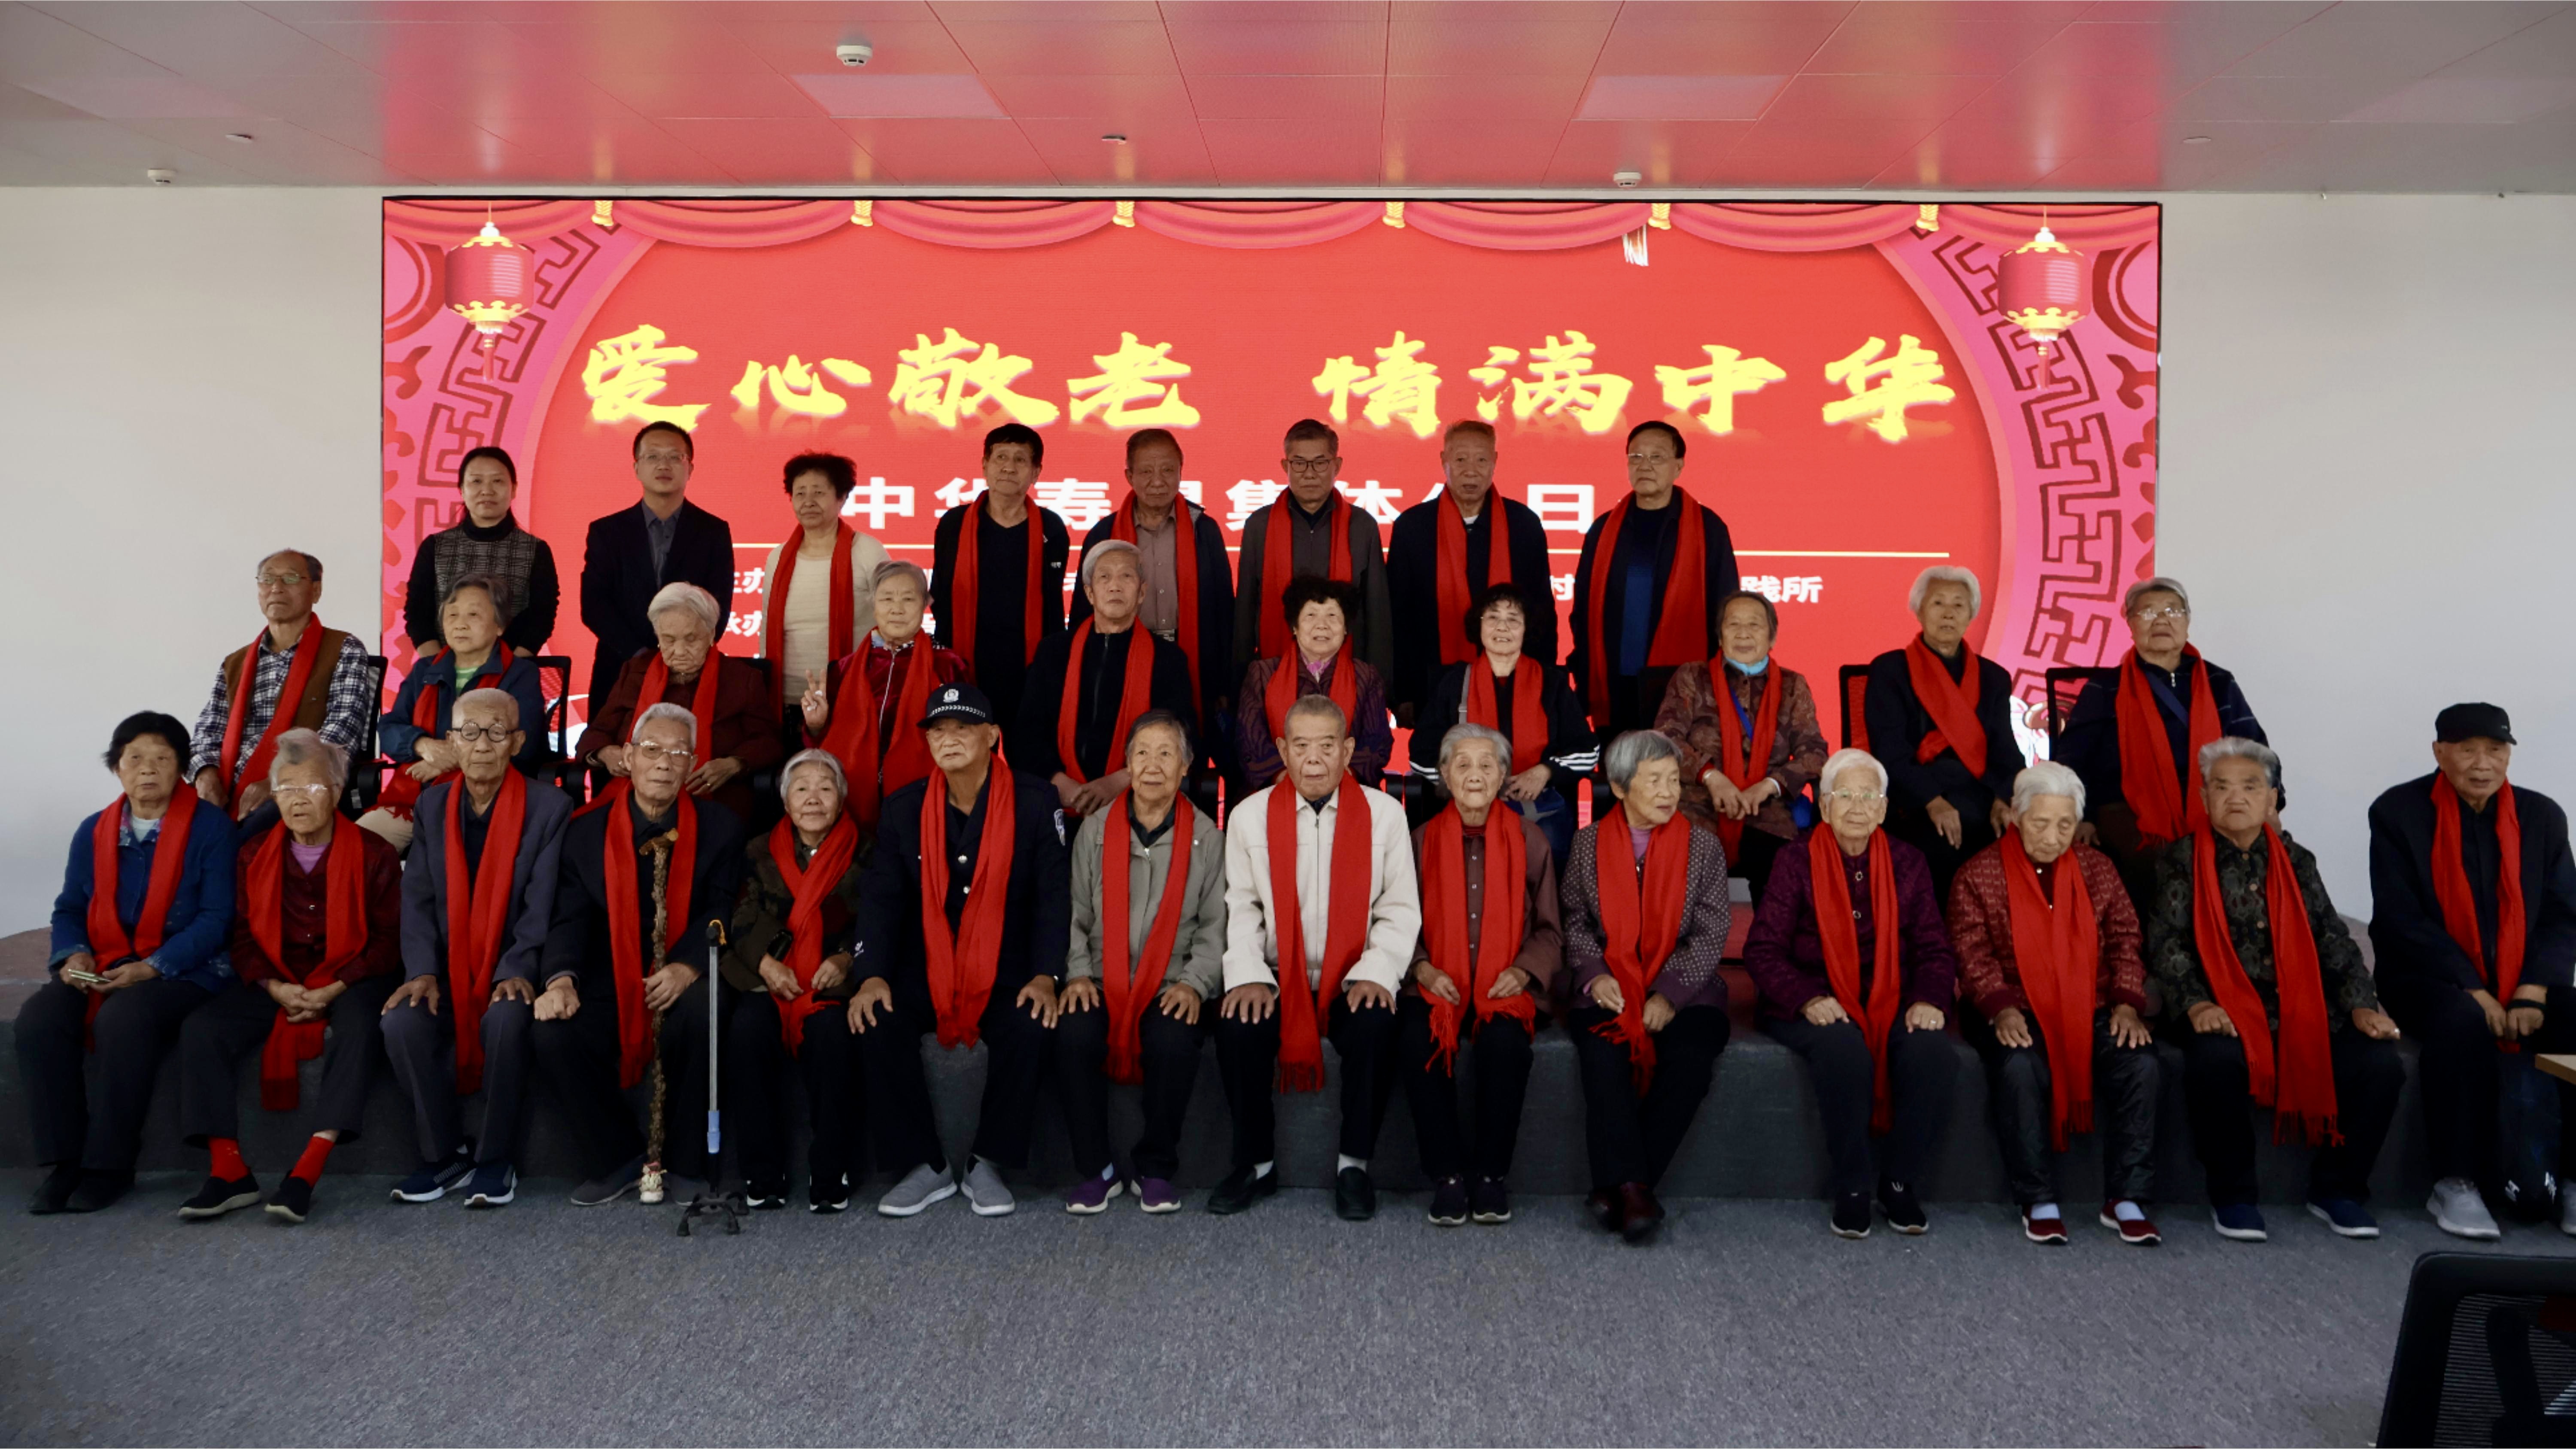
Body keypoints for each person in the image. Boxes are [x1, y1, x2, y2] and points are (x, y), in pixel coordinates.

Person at [2148, 737, 2404, 1242]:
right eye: (2222, 787)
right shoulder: (2180, 858)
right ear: (2204, 797)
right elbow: (2166, 942)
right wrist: (2196, 1003)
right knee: (2215, 1061)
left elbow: (2332, 938)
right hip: (2219, 1004)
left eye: (2250, 787)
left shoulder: (2297, 861)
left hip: (2300, 1004)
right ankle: (2234, 1195)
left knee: (2380, 1065)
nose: (2235, 797)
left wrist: (2361, 1005)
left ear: (2271, 799)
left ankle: (2338, 1190)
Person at [848, 683, 1068, 1218]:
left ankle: (987, 1161)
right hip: (926, 967)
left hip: (1007, 968)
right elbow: (881, 900)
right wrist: (871, 973)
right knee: (875, 1019)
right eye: (938, 730)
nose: (948, 739)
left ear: (992, 736)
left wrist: (1047, 974)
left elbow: (1053, 897)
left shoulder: (1036, 801)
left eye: (962, 728)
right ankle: (924, 1164)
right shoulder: (904, 808)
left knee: (1032, 1024)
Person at [2367, 703, 2576, 1239]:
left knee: (2573, 1019)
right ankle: (2454, 1182)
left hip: (2523, 978)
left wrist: (2532, 989)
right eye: (2468, 750)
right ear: (2440, 753)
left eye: (2496, 750)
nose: (2483, 764)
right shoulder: (2398, 812)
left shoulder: (2542, 816)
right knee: (2461, 1021)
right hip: (2427, 977)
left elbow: (2562, 914)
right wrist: (2474, 988)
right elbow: (2401, 918)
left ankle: (2571, 1178)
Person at [176, 732, 403, 1225]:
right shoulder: (253, 855)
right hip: (278, 976)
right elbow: (241, 939)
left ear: (337, 793)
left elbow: (389, 942)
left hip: (350, 976)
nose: (299, 800)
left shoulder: (375, 854)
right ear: (274, 797)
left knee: (363, 1027)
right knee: (202, 1029)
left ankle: (308, 1169)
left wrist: (335, 986)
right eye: (287, 789)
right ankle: (229, 1171)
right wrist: (275, 987)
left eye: (313, 788)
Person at [1212, 694, 1420, 1221]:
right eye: (1301, 746)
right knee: (1238, 1026)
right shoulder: (1249, 817)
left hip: (1352, 975)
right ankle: (1256, 1163)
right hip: (1278, 975)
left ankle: (1355, 1165)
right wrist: (1249, 976)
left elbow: (1398, 909)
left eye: (1327, 746)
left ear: (1347, 750)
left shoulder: (1384, 816)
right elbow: (1241, 906)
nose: (1313, 759)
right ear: (1282, 749)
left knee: (1376, 1023)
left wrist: (1378, 971)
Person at [19, 712, 234, 1215]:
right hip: (105, 962)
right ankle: (65, 1163)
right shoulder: (93, 830)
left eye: (162, 758)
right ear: (116, 767)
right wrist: (73, 955)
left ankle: (110, 1166)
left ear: (181, 768)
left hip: (189, 969)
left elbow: (217, 918)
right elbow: (70, 909)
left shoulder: (212, 829)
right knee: (39, 1021)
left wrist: (154, 966)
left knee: (125, 1017)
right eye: (135, 758)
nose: (148, 770)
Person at [535, 703, 746, 1206]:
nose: (665, 763)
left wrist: (688, 965)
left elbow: (723, 907)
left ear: (693, 764)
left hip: (683, 970)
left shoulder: (721, 827)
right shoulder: (585, 831)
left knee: (706, 1010)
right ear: (628, 757)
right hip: (610, 974)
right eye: (652, 750)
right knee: (553, 1031)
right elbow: (569, 918)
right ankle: (618, 1159)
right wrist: (560, 980)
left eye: (678, 753)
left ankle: (688, 1163)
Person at [1745, 748, 1961, 1239]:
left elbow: (1934, 948)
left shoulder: (1909, 862)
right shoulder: (1794, 861)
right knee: (1844, 1050)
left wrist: (1929, 999)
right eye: (1845, 795)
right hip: (1812, 996)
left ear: (1884, 809)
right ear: (1825, 806)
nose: (1858, 807)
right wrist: (1807, 998)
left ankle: (1900, 1181)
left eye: (1869, 797)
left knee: (1932, 1054)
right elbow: (1763, 950)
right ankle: (1854, 1184)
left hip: (1895, 997)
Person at [1945, 762, 2161, 1246]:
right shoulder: (1979, 874)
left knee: (2141, 1063)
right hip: (2012, 1007)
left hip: (2093, 1003)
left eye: (2065, 824)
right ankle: (2038, 1198)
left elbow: (2126, 939)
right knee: (2019, 1066)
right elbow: (1971, 952)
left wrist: (2127, 1003)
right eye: (2040, 822)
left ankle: (2127, 1198)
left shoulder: (2097, 869)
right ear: (2016, 817)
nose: (2052, 836)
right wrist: (2000, 1007)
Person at [378, 688, 571, 1210]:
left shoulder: (550, 807)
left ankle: (496, 1156)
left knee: (508, 1016)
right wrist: (421, 971)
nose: (482, 744)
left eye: (496, 732)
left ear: (518, 741)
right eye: (469, 732)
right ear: (451, 742)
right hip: (446, 966)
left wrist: (518, 967)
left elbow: (542, 902)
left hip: (513, 963)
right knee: (402, 1022)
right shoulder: (432, 804)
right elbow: (417, 899)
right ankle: (443, 1154)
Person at [1561, 730, 1730, 1241]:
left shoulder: (1703, 846)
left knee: (1691, 1059)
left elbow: (1712, 930)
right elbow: (1574, 921)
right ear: (1619, 787)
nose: (1668, 792)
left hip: (1685, 988)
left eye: (1673, 781)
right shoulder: (1588, 844)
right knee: (1603, 1057)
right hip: (1610, 983)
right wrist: (1595, 974)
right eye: (1653, 780)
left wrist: (1670, 995)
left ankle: (1622, 1187)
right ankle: (1635, 1191)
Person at [1055, 711, 1227, 1215]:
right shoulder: (1095, 831)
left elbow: (1216, 925)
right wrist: (1077, 973)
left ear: (1186, 766)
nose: (1153, 765)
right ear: (1127, 765)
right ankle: (1097, 1170)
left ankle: (1156, 1167)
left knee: (1174, 1039)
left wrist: (1195, 983)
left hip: (1171, 979)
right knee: (1073, 1033)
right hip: (1098, 974)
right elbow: (1073, 912)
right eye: (1143, 754)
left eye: (1166, 754)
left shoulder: (1208, 838)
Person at [1403, 725, 1562, 1227]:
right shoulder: (1420, 841)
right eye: (1463, 765)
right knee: (1418, 1039)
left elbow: (1550, 930)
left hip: (1504, 986)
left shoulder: (1530, 840)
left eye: (1487, 765)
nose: (1475, 775)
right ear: (1444, 775)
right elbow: (1395, 920)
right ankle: (1448, 1176)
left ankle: (1491, 1175)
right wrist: (1422, 966)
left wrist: (1524, 970)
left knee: (1505, 1046)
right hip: (1437, 982)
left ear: (1503, 776)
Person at [2055, 577, 2268, 905]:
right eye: (2148, 612)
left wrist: (2271, 802)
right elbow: (2071, 759)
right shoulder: (2105, 688)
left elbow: (2255, 751)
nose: (2162, 620)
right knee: (2156, 864)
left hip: (2212, 805)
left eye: (2173, 610)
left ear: (2187, 621)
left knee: (2250, 857)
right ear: (2130, 624)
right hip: (2128, 810)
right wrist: (2083, 815)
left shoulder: (2218, 682)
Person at [723, 749, 869, 1213]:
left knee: (833, 1036)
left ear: (841, 799)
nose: (813, 798)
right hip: (770, 976)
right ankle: (762, 1171)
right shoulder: (758, 850)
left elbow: (878, 918)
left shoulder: (867, 851)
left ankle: (831, 1169)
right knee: (747, 1031)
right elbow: (741, 914)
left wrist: (846, 959)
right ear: (785, 802)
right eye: (801, 788)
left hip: (831, 980)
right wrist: (766, 963)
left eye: (826, 788)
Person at [1070, 428, 1236, 771]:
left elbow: (1224, 610)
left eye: (1168, 470)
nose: (1158, 481)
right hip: (1123, 659)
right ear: (1129, 475)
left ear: (1181, 471)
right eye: (1146, 471)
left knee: (1186, 753)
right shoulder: (1104, 534)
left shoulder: (1204, 530)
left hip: (1192, 661)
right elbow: (1083, 613)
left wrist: (1225, 682)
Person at [1567, 421, 1741, 739]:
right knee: (1617, 766)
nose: (1644, 465)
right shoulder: (1604, 529)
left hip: (1682, 685)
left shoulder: (1708, 529)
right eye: (1636, 457)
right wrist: (1584, 672)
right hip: (1614, 684)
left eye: (1656, 457)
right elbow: (1583, 610)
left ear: (1679, 466)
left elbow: (1726, 611)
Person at [1654, 589, 1829, 902]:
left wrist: (1770, 786)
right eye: (1733, 624)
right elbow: (1665, 738)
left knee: (1783, 881)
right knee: (1682, 877)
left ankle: (1770, 936)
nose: (1744, 633)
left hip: (1767, 811)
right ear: (1720, 635)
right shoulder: (1693, 677)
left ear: (1772, 636)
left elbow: (1814, 751)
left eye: (1754, 625)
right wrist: (1711, 777)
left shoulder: (1793, 685)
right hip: (1699, 806)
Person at [1865, 565, 2024, 899]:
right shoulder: (1890, 670)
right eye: (1938, 603)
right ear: (1919, 610)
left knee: (2020, 836)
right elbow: (1890, 750)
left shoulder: (1994, 677)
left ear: (1972, 615)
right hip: (1915, 795)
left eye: (1959, 605)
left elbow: (2005, 750)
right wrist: (1932, 801)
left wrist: (2002, 798)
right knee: (1939, 844)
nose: (1949, 613)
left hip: (1980, 793)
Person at [1385, 420, 1557, 725]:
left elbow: (1541, 611)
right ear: (1444, 460)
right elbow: (1399, 617)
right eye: (1461, 459)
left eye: (1481, 460)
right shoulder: (1412, 527)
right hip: (1432, 683)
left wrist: (1545, 682)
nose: (1471, 471)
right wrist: (1403, 693)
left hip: (1512, 682)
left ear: (1495, 462)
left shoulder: (1523, 525)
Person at [361, 574, 549, 850]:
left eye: (474, 614)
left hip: (487, 799)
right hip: (413, 800)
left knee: (449, 851)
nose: (460, 624)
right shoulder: (425, 670)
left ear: (499, 625)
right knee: (356, 849)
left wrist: (446, 761)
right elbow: (390, 728)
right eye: (452, 614)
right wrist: (423, 745)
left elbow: (524, 744)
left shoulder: (521, 674)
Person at [1413, 583, 1596, 863]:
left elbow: (1587, 751)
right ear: (1479, 625)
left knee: (1546, 845)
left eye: (1513, 619)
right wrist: (1466, 781)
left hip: (1535, 804)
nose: (1502, 627)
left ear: (1526, 629)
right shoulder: (1454, 683)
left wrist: (1546, 771)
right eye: (1493, 617)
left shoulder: (1552, 683)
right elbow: (1420, 756)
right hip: (1468, 803)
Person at [190, 549, 373, 822]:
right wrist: (205, 776)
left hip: (302, 787)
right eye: (267, 579)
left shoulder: (344, 649)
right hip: (229, 787)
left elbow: (340, 733)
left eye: (290, 578)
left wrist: (281, 783)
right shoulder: (235, 663)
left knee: (256, 824)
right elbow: (208, 731)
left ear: (316, 591)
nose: (276, 588)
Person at [1015, 540, 1195, 817]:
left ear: (1142, 592)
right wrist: (1064, 787)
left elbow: (1180, 738)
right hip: (1056, 803)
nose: (1115, 586)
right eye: (1104, 577)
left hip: (1138, 804)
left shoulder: (1168, 660)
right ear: (1089, 593)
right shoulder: (1054, 652)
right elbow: (1027, 735)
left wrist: (1119, 782)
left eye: (1126, 576)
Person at [580, 582, 783, 824]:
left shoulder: (742, 678)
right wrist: (606, 753)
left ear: (711, 634)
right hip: (633, 798)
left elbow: (769, 741)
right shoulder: (636, 672)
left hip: (713, 800)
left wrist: (733, 764)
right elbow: (597, 733)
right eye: (669, 640)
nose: (680, 650)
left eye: (691, 639)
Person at [797, 561, 974, 830]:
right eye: (887, 599)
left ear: (925, 604)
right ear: (873, 605)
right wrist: (815, 726)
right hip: (851, 801)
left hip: (923, 799)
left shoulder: (948, 666)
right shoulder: (844, 669)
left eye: (908, 599)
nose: (897, 609)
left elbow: (971, 738)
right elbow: (821, 748)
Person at [577, 419, 735, 708]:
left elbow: (718, 606)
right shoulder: (607, 532)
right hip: (621, 669)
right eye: (653, 456)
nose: (664, 465)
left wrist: (681, 654)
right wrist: (640, 656)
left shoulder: (713, 531)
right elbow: (594, 605)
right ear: (637, 467)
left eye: (675, 457)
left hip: (690, 673)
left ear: (690, 468)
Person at [929, 422, 1069, 735]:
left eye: (1020, 459)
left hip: (1029, 668)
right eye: (1001, 457)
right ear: (985, 465)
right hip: (966, 663)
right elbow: (940, 595)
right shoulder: (954, 524)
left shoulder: (1052, 528)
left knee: (1027, 750)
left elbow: (1053, 606)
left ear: (1036, 472)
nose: (1009, 467)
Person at [1231, 418, 1393, 688]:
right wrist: (1240, 681)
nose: (1309, 473)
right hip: (1274, 671)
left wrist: (1380, 683)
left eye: (1320, 463)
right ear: (1285, 466)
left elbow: (1377, 612)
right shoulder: (1260, 526)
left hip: (1349, 675)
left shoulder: (1362, 526)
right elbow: (1246, 609)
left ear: (1337, 466)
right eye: (1299, 463)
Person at [756, 451, 890, 721]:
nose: (808, 502)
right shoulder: (778, 557)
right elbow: (768, 623)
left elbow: (890, 619)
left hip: (852, 692)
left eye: (818, 493)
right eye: (800, 493)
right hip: (787, 695)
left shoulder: (867, 551)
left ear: (842, 498)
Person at [1234, 577, 1393, 790]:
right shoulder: (1263, 674)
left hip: (1348, 788)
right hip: (1276, 788)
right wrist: (1284, 777)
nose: (1322, 625)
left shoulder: (1366, 676)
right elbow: (1249, 740)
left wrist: (1338, 777)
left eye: (1332, 616)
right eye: (1311, 616)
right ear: (1295, 627)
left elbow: (1377, 742)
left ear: (1346, 628)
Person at [401, 444, 560, 653]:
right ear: (462, 490)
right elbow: (417, 613)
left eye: (498, 481)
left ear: (514, 489)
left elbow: (542, 618)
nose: (487, 490)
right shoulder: (435, 547)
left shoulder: (536, 550)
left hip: (512, 667)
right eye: (476, 481)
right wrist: (437, 666)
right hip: (443, 665)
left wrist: (513, 668)